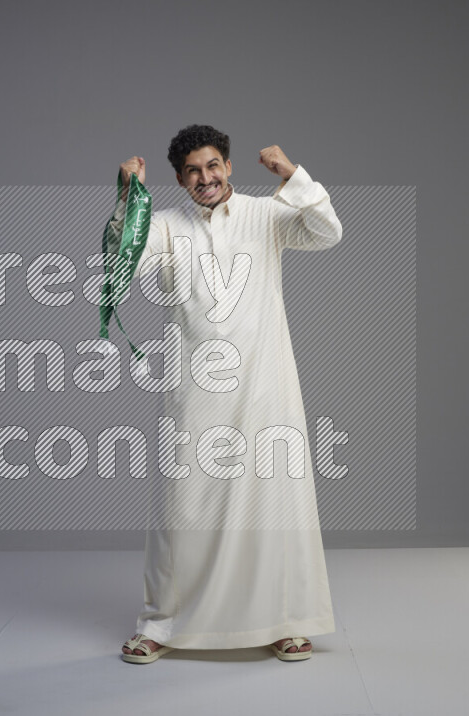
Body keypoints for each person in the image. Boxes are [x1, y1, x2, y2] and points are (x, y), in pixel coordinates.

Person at [107, 125, 343, 663]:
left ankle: (284, 620)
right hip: (193, 389)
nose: (205, 178)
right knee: (182, 507)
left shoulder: (267, 215)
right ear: (179, 179)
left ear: (229, 166)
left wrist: (292, 175)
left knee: (272, 501)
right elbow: (122, 264)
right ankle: (162, 622)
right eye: (192, 171)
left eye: (213, 165)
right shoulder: (166, 226)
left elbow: (327, 232)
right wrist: (128, 199)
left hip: (265, 387)